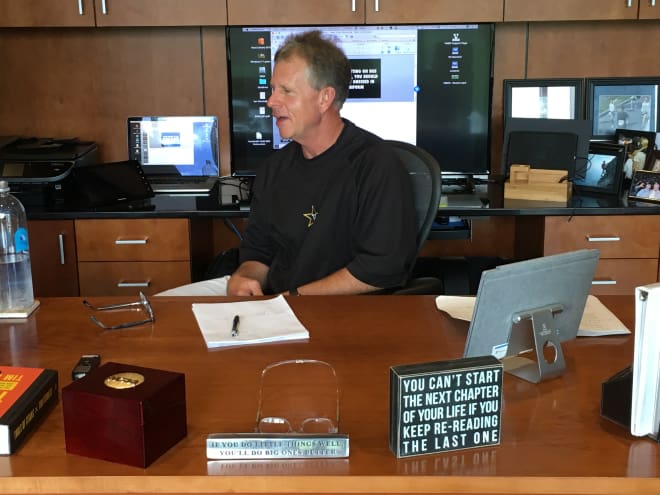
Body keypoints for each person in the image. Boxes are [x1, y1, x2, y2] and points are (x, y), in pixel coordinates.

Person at [158, 30, 417, 297]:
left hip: (338, 313)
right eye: (272, 89)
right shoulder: (274, 168)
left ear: (324, 98)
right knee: (164, 307)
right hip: (278, 302)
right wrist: (244, 277)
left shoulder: (375, 164)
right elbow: (259, 253)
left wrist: (293, 298)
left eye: (286, 91)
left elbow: (380, 268)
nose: (271, 101)